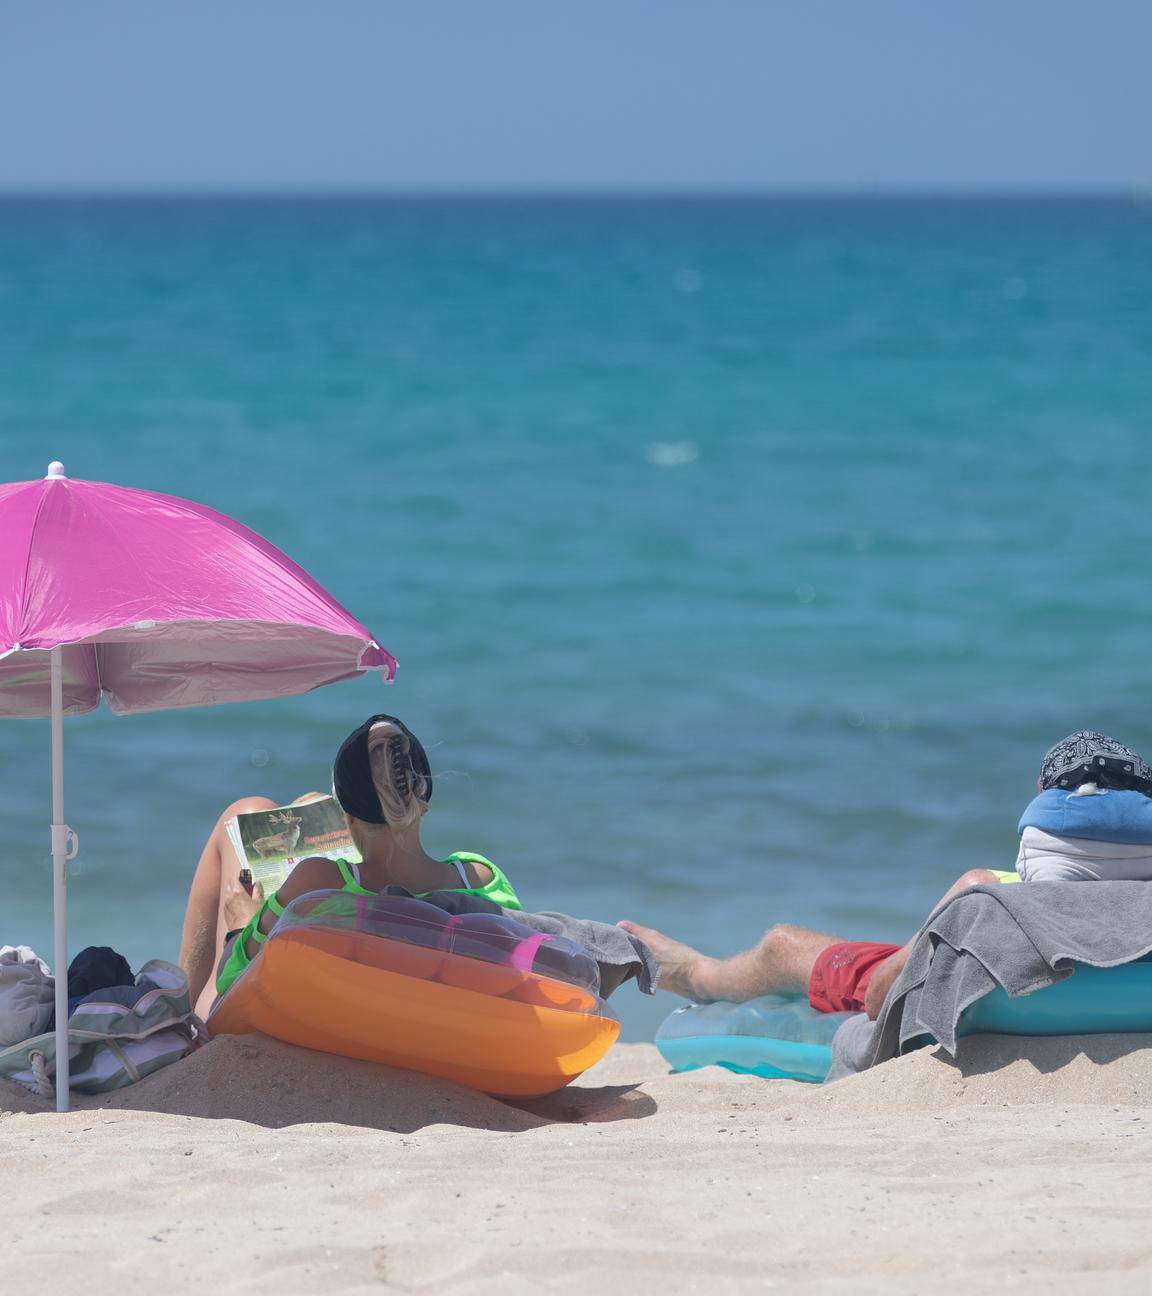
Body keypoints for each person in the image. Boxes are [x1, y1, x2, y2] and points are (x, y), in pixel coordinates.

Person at [621, 730, 1152, 1022]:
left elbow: (879, 998)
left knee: (782, 946)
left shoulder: (987, 895)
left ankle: (694, 973)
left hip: (982, 981)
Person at [178, 714, 522, 1019]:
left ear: (347, 816)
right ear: (424, 802)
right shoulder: (478, 876)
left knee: (242, 813)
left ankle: (180, 1018)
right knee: (305, 802)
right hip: (437, 1017)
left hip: (308, 1020)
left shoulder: (318, 880)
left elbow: (230, 976)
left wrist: (240, 921)